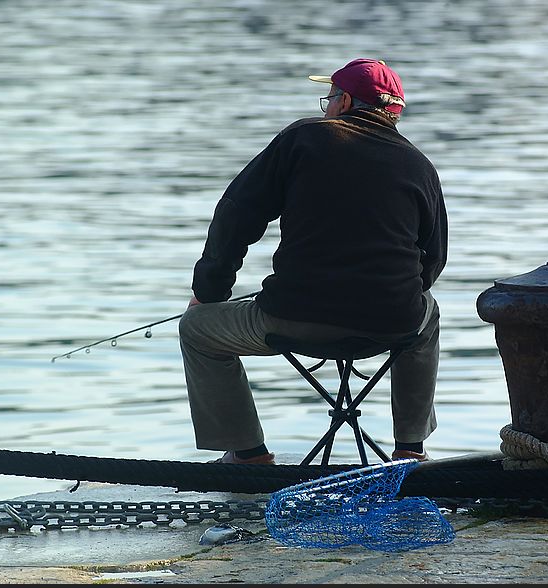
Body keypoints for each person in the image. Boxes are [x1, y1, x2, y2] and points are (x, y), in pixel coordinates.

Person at [178, 58, 447, 465]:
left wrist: (208, 294)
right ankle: (411, 451)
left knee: (197, 329)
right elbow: (434, 258)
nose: (325, 107)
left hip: (292, 317)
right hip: (391, 325)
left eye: (329, 98)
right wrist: (394, 294)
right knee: (426, 313)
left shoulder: (304, 138)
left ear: (344, 103)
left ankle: (248, 455)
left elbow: (236, 214)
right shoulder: (420, 166)